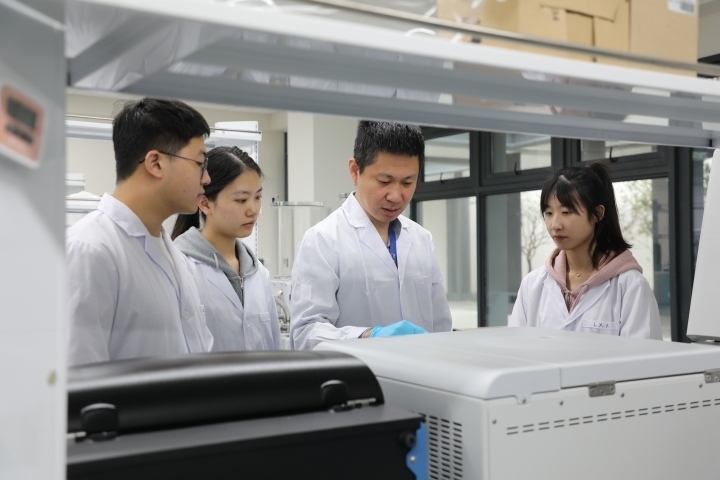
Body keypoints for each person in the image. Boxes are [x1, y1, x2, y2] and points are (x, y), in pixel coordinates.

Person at [66, 98, 214, 365]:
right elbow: (79, 371)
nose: (207, 179)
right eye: (199, 163)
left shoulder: (174, 256)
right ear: (155, 163)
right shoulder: (89, 250)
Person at [290, 120, 452, 350]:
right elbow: (305, 334)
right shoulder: (323, 241)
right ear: (355, 171)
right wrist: (368, 336)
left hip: (421, 369)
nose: (396, 196)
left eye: (408, 182)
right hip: (359, 371)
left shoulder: (422, 239)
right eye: (384, 181)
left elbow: (441, 326)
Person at [509, 163, 662, 339]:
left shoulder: (630, 286)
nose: (555, 225)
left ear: (598, 213)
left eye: (566, 212)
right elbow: (516, 347)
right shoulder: (532, 284)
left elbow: (644, 354)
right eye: (549, 213)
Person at [172, 146, 281, 351]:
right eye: (241, 200)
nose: (253, 210)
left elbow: (275, 350)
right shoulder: (180, 268)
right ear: (205, 203)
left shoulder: (258, 274)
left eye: (258, 197)